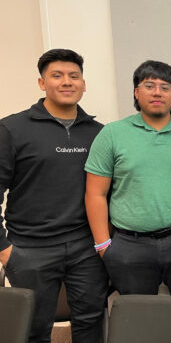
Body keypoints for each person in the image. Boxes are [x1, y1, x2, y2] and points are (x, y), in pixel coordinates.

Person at [85, 60, 171, 296]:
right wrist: (103, 245)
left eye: (165, 87)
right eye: (149, 85)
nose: (158, 92)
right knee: (139, 316)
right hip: (130, 245)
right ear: (136, 92)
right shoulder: (112, 134)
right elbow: (95, 193)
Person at [0, 49, 108, 343]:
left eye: (74, 76)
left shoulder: (100, 133)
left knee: (91, 322)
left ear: (83, 84)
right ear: (41, 83)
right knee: (34, 329)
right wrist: (5, 249)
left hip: (86, 249)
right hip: (29, 249)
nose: (66, 82)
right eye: (56, 76)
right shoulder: (12, 129)